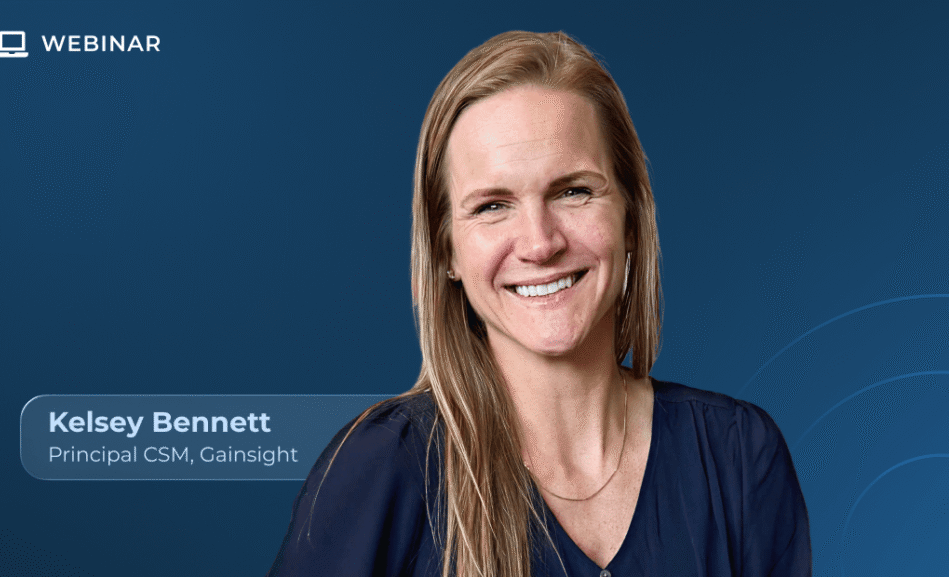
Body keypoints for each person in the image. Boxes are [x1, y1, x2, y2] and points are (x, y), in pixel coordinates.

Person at [267, 30, 811, 577]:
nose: (540, 243)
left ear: (630, 216)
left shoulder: (738, 456)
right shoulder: (383, 467)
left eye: (573, 191)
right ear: (446, 251)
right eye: (492, 206)